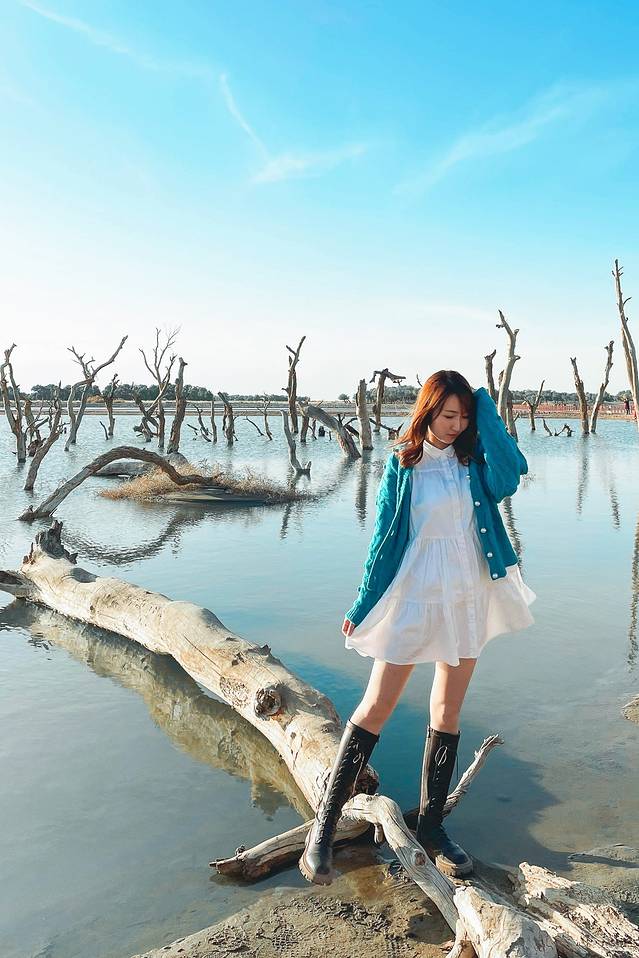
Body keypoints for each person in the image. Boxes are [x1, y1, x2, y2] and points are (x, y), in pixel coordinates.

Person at [298, 370, 536, 886]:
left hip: (467, 592)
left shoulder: (475, 462)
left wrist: (484, 406)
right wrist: (363, 602)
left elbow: (513, 471)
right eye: (448, 415)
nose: (456, 425)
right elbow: (383, 539)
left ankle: (431, 828)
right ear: (427, 411)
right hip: (415, 591)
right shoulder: (403, 464)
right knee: (377, 705)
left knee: (448, 709)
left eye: (464, 417)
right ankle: (324, 827)